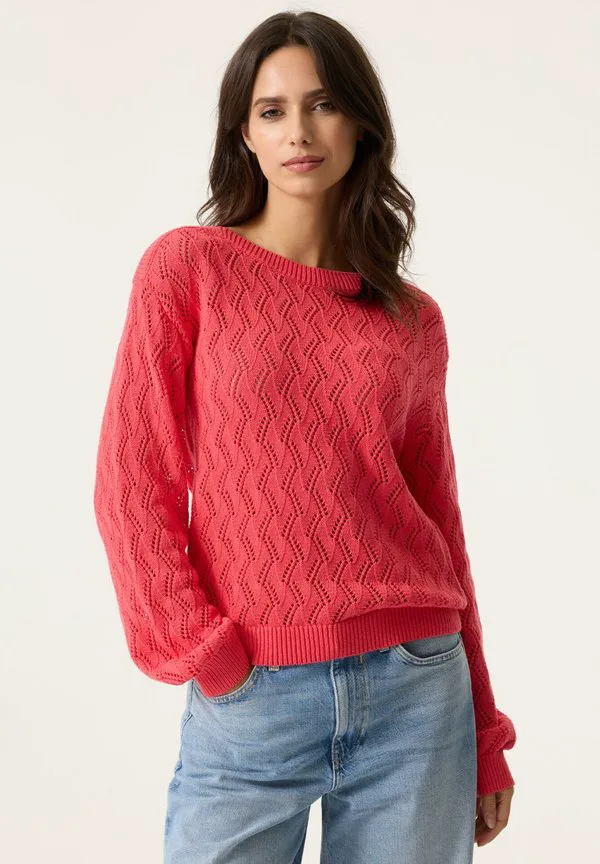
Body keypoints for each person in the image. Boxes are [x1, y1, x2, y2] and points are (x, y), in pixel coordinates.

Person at [93, 10, 516, 863]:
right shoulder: (189, 270)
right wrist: (207, 654)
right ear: (244, 134)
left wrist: (484, 723)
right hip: (252, 694)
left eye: (322, 104)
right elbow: (131, 482)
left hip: (417, 685)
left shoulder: (411, 318)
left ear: (361, 122)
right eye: (272, 110)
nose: (299, 131)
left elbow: (440, 518)